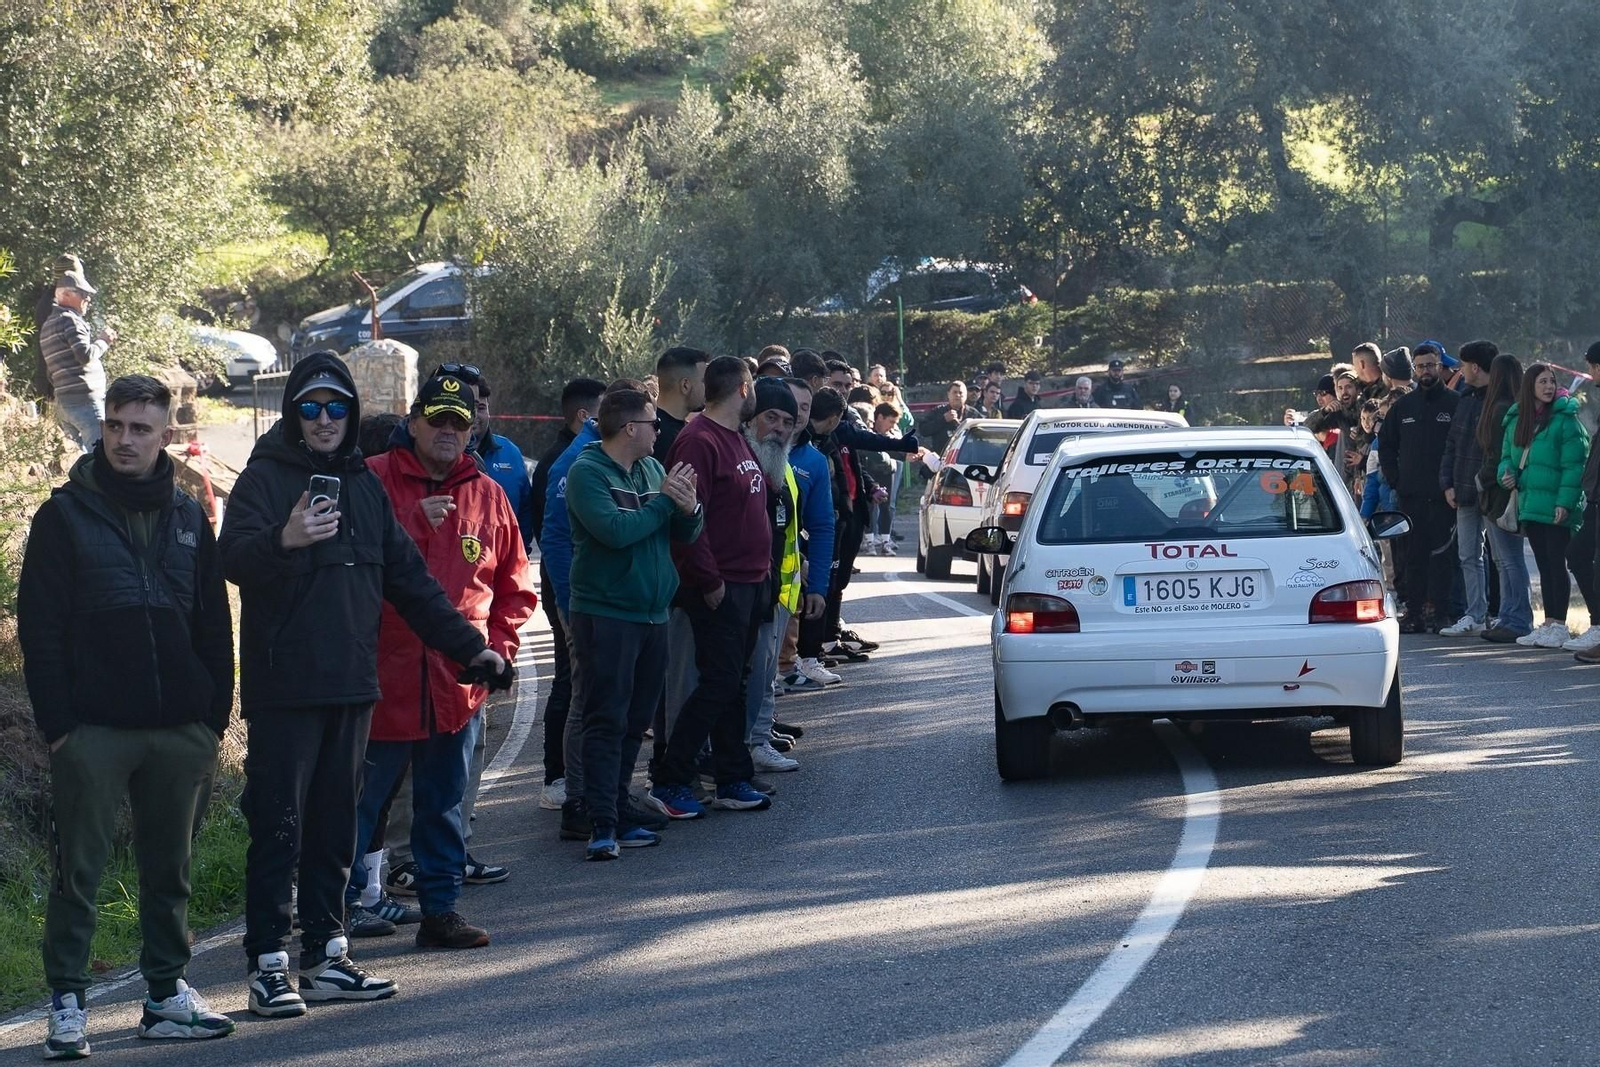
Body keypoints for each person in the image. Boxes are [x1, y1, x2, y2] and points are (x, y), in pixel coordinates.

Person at [219, 352, 505, 1018]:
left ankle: (324, 954)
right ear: (294, 412)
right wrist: (284, 538)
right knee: (278, 827)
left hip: (352, 686)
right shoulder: (263, 479)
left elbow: (412, 585)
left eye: (337, 407)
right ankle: (268, 965)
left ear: (351, 414)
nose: (324, 419)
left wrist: (475, 650)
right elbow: (231, 560)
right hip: (284, 687)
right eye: (311, 407)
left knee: (332, 828)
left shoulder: (363, 487)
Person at [20, 375, 236, 1057]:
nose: (124, 438)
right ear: (104, 427)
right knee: (76, 871)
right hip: (92, 730)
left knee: (170, 868)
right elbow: (40, 627)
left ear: (165, 436)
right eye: (116, 425)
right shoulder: (63, 516)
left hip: (180, 728)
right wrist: (61, 724)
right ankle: (67, 1004)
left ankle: (166, 994)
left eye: (140, 428)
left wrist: (213, 715)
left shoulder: (186, 515)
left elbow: (212, 622)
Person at [347, 376, 536, 948]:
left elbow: (514, 589)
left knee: (444, 805)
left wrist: (499, 650)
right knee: (359, 806)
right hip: (382, 680)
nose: (451, 431)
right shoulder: (372, 479)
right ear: (415, 420)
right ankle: (337, 918)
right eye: (439, 420)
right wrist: (409, 524)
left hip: (458, 685)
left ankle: (440, 910)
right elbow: (345, 564)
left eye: (461, 421)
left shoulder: (488, 494)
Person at [560, 386, 706, 857]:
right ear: (629, 428)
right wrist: (666, 502)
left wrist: (689, 508)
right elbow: (616, 533)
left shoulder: (651, 469)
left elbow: (680, 531)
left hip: (652, 613)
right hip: (605, 614)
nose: (658, 431)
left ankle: (617, 808)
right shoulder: (587, 473)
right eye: (652, 424)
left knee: (635, 719)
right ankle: (600, 823)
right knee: (606, 717)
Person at [648, 356, 773, 819]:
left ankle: (731, 777)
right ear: (743, 389)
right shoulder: (698, 440)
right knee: (717, 682)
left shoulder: (735, 438)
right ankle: (670, 778)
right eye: (754, 383)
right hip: (719, 586)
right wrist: (710, 579)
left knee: (731, 684)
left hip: (749, 582)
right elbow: (685, 517)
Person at [527, 378, 606, 813]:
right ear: (586, 416)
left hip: (582, 597)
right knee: (569, 687)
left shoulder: (588, 456)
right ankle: (558, 776)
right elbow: (552, 536)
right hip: (571, 598)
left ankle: (584, 780)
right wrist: (568, 601)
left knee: (586, 688)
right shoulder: (563, 462)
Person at [737, 380, 804, 772]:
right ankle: (743, 746)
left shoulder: (780, 465)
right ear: (752, 419)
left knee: (762, 674)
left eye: (787, 422)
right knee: (741, 676)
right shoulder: (743, 459)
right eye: (771, 418)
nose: (778, 428)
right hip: (741, 588)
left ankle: (757, 740)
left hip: (774, 591)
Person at [1500, 363, 1589, 649]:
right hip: (1529, 503)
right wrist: (1506, 474)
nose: (1549, 387)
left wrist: (1565, 502)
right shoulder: (1516, 420)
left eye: (1552, 381)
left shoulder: (1566, 419)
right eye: (1542, 382)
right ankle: (1549, 623)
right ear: (1530, 387)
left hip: (1556, 506)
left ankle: (1560, 625)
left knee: (1556, 564)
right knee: (1543, 563)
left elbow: (1575, 466)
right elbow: (1506, 456)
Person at [1379, 344, 1459, 633]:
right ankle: (1413, 613)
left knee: (1442, 556)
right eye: (1421, 366)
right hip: (1410, 496)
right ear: (1414, 369)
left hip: (1443, 497)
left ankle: (1440, 613)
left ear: (1440, 366)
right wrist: (1395, 479)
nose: (1426, 370)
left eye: (1431, 365)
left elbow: (1464, 447)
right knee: (1412, 556)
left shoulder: (1455, 403)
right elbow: (1385, 445)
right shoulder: (1403, 407)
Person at [1437, 341, 1499, 637]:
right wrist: (1447, 483)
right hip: (1462, 491)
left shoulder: (1501, 401)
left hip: (1492, 491)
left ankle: (1506, 615)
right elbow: (1452, 444)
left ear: (1475, 366)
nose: (1460, 370)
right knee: (1467, 556)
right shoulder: (1465, 399)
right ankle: (1474, 614)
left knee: (1502, 557)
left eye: (1463, 365)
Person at [779, 379, 836, 692]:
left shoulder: (813, 461)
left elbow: (823, 527)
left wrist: (818, 587)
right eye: (791, 404)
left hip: (787, 582)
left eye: (805, 407)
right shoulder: (746, 446)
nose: (797, 414)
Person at [1475, 354, 1532, 644]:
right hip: (1498, 491)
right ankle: (1509, 615)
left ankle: (1518, 618)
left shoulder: (1501, 410)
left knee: (1509, 560)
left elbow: (1497, 454)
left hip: (1499, 491)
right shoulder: (1509, 408)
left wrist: (1480, 479)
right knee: (1504, 560)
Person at [39, 268, 114, 450]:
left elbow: (51, 372)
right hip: (85, 402)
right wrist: (103, 341)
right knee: (100, 456)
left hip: (64, 403)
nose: (88, 299)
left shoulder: (48, 326)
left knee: (77, 460)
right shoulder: (70, 320)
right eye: (83, 294)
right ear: (65, 294)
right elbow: (85, 355)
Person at [1564, 340, 1600, 652]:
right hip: (1595, 499)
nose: (1589, 373)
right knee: (1578, 555)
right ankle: (1597, 624)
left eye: (1591, 366)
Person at [469, 374, 533, 547]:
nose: (475, 415)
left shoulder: (510, 452)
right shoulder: (444, 453)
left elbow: (526, 511)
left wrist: (520, 554)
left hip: (504, 563)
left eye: (481, 408)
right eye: (469, 407)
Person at [655, 347, 710, 459]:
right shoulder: (653, 434)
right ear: (685, 385)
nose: (709, 387)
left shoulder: (686, 430)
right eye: (704, 381)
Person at [917, 381, 972, 457]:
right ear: (948, 394)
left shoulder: (973, 414)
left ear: (965, 396)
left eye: (960, 393)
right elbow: (923, 430)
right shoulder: (938, 411)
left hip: (966, 458)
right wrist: (943, 420)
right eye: (954, 392)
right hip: (941, 457)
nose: (957, 395)